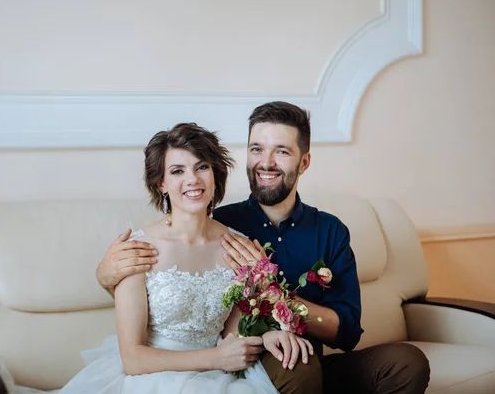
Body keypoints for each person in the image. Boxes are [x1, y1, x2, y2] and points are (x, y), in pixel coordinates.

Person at [97, 102, 431, 394]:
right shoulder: (224, 228)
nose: (266, 162)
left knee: (405, 362)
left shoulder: (329, 230)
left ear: (304, 162)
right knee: (296, 366)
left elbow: (346, 332)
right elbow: (167, 290)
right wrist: (106, 274)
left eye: (281, 151)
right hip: (276, 365)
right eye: (257, 149)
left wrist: (276, 297)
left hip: (311, 357)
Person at [12, 122, 312, 394]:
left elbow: (232, 333)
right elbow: (132, 358)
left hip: (219, 379)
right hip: (152, 378)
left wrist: (266, 335)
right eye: (177, 171)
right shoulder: (138, 249)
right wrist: (214, 358)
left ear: (215, 174)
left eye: (202, 167)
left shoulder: (238, 246)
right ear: (161, 184)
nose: (193, 180)